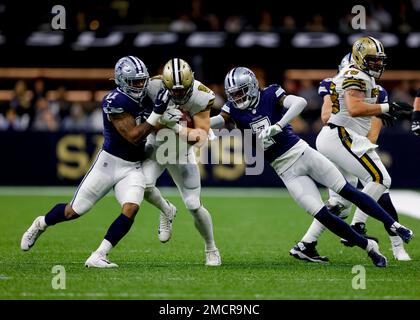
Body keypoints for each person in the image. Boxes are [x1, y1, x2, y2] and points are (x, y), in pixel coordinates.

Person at [210, 66, 414, 267]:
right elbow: (217, 121)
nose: (237, 98)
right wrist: (192, 125)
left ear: (253, 86)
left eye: (241, 92)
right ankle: (369, 247)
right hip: (285, 170)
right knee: (322, 214)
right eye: (233, 94)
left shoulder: (271, 93)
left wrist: (279, 125)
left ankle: (395, 225)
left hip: (303, 153)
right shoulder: (233, 109)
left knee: (347, 191)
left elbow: (300, 102)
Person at [20, 56, 177, 268]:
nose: (140, 85)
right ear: (122, 81)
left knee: (131, 208)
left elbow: (155, 122)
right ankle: (41, 223)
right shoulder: (114, 101)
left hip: (133, 166)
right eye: (135, 82)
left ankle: (99, 255)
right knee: (73, 211)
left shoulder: (147, 95)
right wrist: (157, 113)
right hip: (109, 163)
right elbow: (133, 135)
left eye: (142, 80)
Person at [295, 37, 414, 263]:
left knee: (341, 201)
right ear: (358, 58)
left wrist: (378, 112)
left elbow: (366, 119)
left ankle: (306, 244)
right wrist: (388, 107)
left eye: (380, 61)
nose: (378, 65)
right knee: (380, 179)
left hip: (341, 137)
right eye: (373, 60)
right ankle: (358, 225)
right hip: (340, 135)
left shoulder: (361, 77)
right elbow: (354, 108)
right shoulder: (355, 75)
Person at [114, 58, 221, 266]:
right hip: (157, 146)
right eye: (174, 90)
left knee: (193, 205)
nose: (178, 95)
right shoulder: (152, 86)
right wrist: (156, 119)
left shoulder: (202, 95)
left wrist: (176, 126)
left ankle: (211, 248)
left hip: (182, 151)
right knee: (142, 185)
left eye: (183, 91)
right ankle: (166, 209)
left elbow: (200, 138)